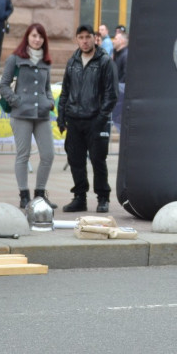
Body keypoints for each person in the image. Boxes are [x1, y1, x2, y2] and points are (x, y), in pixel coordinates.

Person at [57, 25, 118, 214]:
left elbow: (111, 94)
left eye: (88, 37)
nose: (84, 41)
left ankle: (103, 198)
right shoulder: (72, 62)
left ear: (95, 38)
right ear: (77, 39)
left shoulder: (105, 62)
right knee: (75, 160)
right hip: (74, 120)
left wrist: (101, 117)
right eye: (81, 37)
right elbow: (65, 91)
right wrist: (62, 116)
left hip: (95, 119)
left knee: (98, 160)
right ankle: (79, 198)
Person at [0, 24, 58, 210]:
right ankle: (24, 195)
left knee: (48, 154)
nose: (37, 39)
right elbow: (4, 85)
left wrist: (50, 101)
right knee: (23, 155)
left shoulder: (46, 62)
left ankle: (39, 195)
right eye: (34, 36)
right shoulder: (15, 59)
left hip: (42, 115)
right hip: (21, 115)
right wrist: (16, 101)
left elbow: (47, 87)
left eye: (41, 37)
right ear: (28, 37)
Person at [111, 31, 128, 129]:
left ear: (122, 41)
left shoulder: (125, 55)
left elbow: (125, 76)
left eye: (116, 39)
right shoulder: (118, 54)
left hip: (120, 96)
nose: (113, 41)